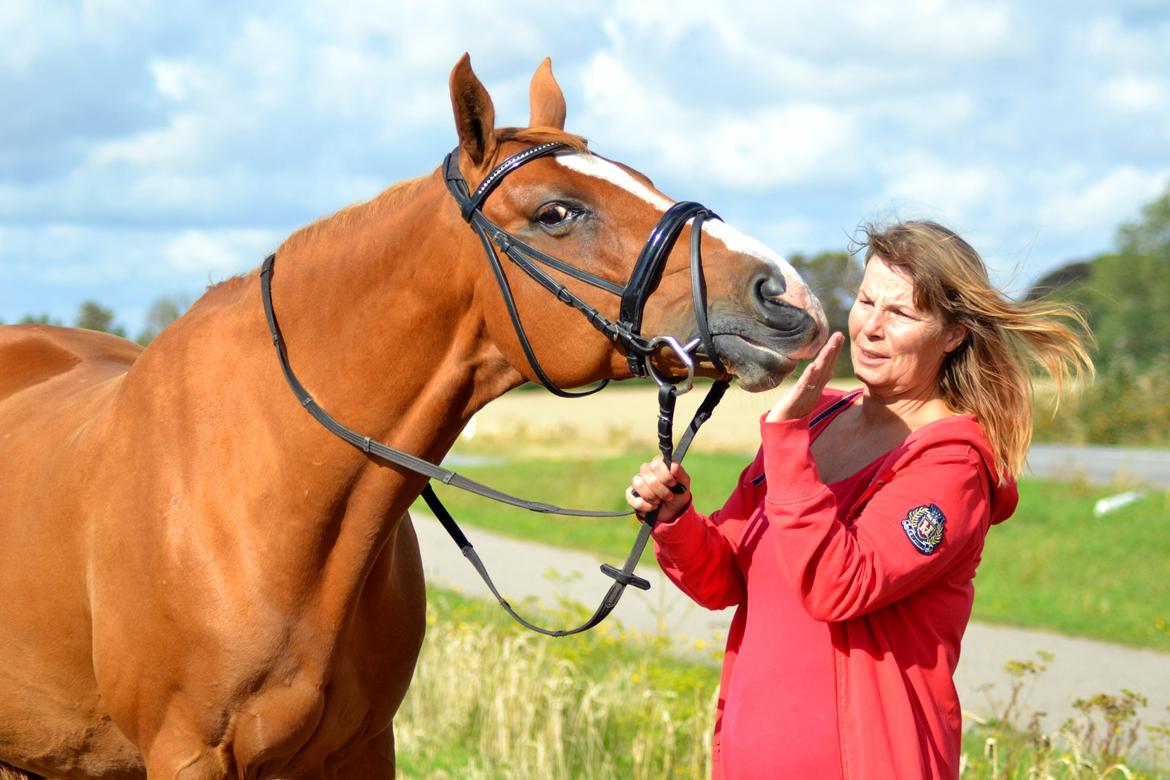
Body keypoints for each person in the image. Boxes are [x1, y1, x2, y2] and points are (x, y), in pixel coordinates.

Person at [626, 220, 1093, 779]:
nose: (871, 327)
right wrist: (676, 520)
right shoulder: (816, 419)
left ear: (953, 334)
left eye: (901, 314)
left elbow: (838, 585)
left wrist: (785, 441)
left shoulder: (951, 463)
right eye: (866, 300)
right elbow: (723, 578)